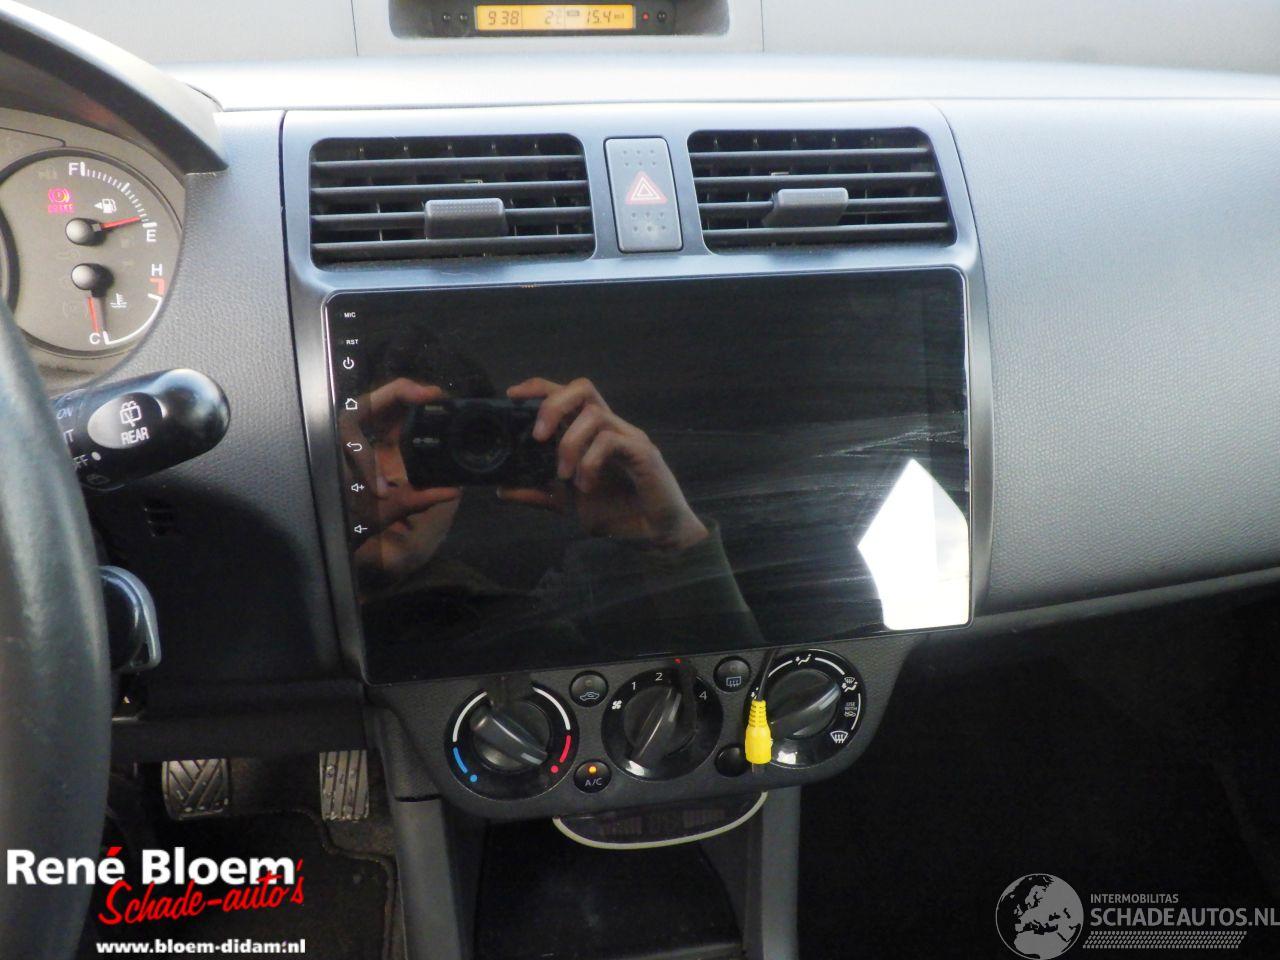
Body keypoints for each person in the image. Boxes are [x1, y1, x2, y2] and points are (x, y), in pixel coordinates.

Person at [342, 332, 761, 662]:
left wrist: (675, 542)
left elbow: (739, 729)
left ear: (466, 481)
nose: (396, 476)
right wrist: (316, 529)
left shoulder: (514, 635)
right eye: (371, 439)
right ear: (327, 446)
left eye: (431, 452)